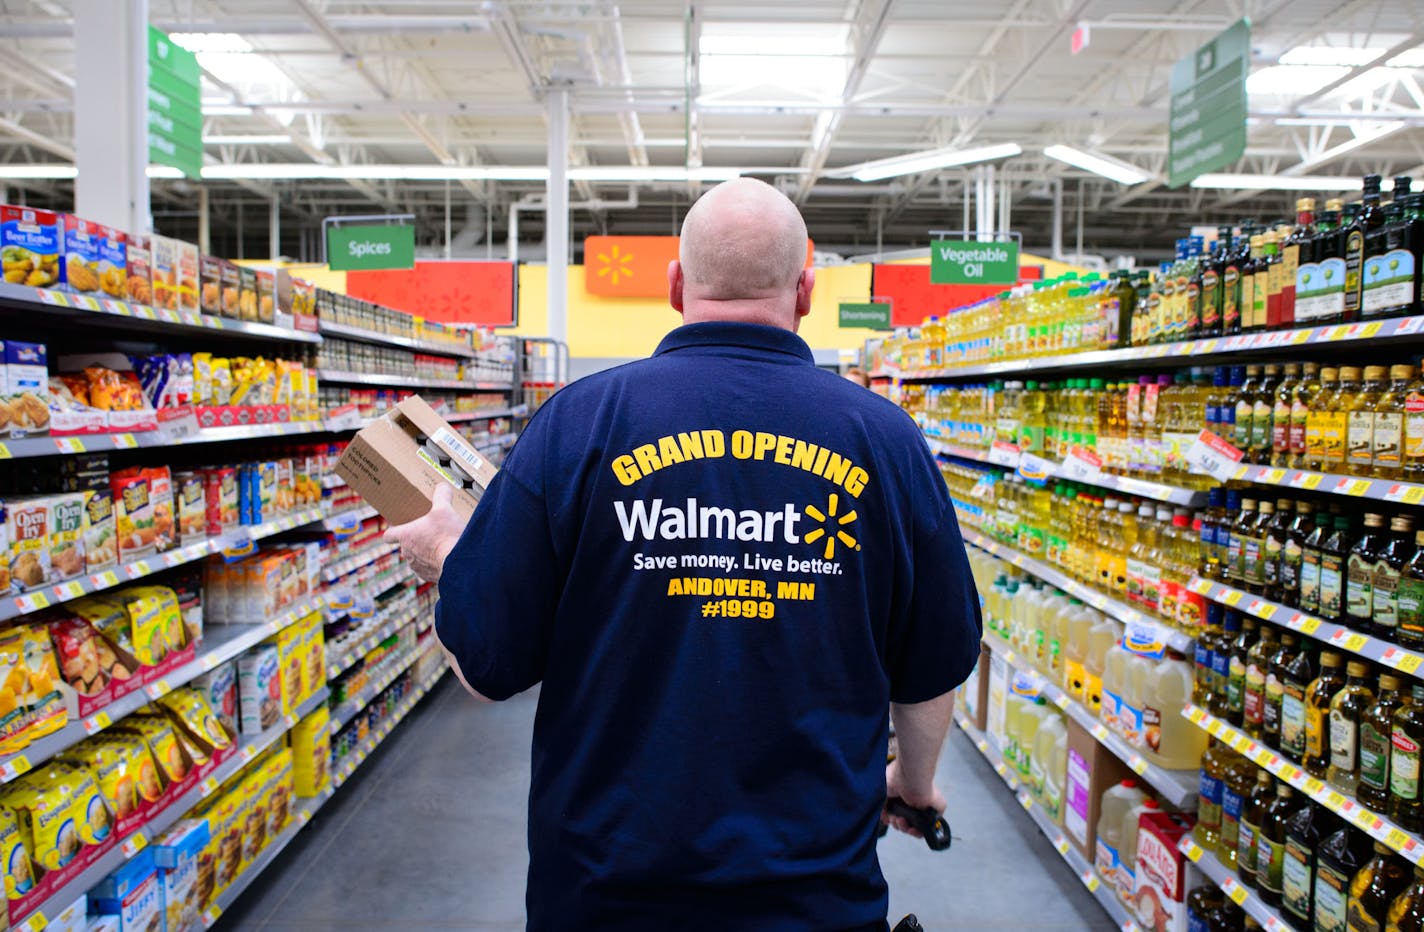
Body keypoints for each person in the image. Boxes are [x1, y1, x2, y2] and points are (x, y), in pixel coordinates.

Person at [386, 178, 982, 931]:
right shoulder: (887, 441)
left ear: (674, 286)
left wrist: (447, 554)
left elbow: (488, 668)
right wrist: (915, 783)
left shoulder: (577, 424)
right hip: (812, 899)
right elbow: (934, 662)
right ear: (806, 290)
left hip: (605, 895)